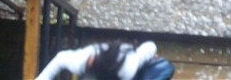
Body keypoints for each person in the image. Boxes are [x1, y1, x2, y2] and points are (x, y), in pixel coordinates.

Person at [35, 40, 174, 79]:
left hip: (123, 70)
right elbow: (60, 58)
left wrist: (153, 55)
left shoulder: (128, 67)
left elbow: (149, 47)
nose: (90, 60)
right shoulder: (80, 61)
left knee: (166, 68)